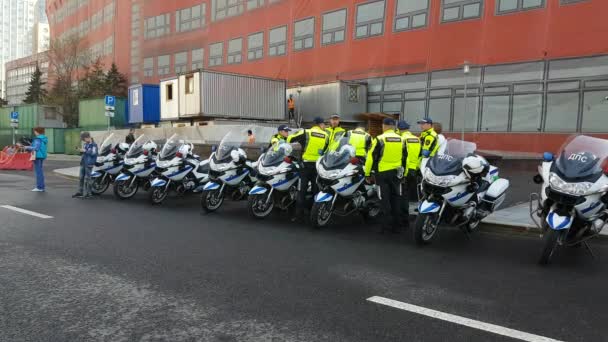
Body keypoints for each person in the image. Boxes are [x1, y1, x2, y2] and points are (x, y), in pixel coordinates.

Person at [364, 118, 407, 233]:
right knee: (396, 198)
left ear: (384, 126)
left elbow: (370, 158)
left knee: (384, 199)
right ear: (394, 127)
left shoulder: (379, 139)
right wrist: (403, 174)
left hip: (382, 173)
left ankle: (386, 226)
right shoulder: (402, 140)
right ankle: (397, 225)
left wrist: (367, 173)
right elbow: (405, 158)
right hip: (397, 173)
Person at [287, 116, 329, 222]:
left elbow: (289, 139)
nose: (324, 126)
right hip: (317, 167)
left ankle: (298, 216)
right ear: (320, 124)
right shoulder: (326, 135)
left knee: (301, 191)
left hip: (305, 167)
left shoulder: (306, 132)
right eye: (324, 124)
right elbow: (326, 150)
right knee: (316, 190)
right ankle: (313, 214)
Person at [397, 120, 422, 226]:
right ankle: (406, 218)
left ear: (399, 129)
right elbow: (420, 155)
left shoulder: (401, 139)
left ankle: (403, 220)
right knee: (407, 194)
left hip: (404, 172)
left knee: (401, 195)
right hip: (414, 170)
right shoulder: (417, 139)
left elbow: (399, 155)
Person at [73, 132, 98, 199]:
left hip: (89, 163)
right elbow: (84, 153)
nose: (83, 140)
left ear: (88, 137)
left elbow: (93, 153)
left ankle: (88, 193)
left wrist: (85, 151)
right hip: (83, 163)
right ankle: (80, 192)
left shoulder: (94, 145)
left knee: (87, 179)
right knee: (81, 178)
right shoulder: (85, 144)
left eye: (84, 139)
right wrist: (80, 150)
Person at [24, 127, 48, 192]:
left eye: (35, 131)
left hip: (37, 156)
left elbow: (36, 148)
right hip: (42, 156)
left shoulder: (38, 139)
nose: (34, 132)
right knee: (40, 171)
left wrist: (26, 147)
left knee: (38, 172)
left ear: (37, 131)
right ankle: (41, 187)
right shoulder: (44, 138)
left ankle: (39, 187)